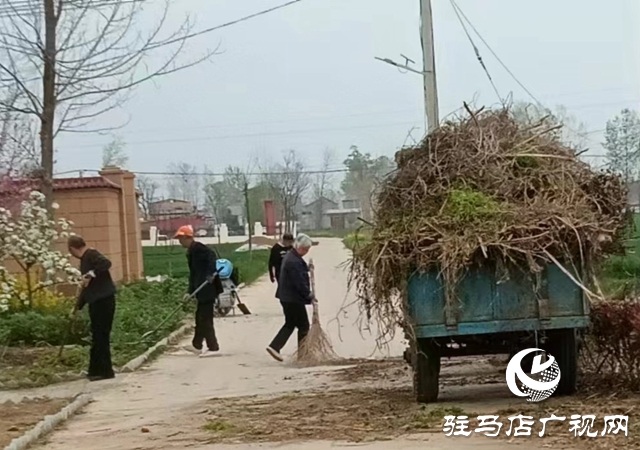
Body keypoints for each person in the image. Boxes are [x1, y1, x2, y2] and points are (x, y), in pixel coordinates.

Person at [68, 236, 116, 382]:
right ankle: (95, 370)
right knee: (96, 336)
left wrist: (90, 274)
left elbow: (106, 263)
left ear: (72, 249)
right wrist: (77, 308)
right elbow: (87, 289)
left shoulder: (91, 254)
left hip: (103, 302)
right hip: (96, 302)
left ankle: (105, 371)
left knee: (101, 336)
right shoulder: (85, 260)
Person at [174, 225, 224, 357]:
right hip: (200, 288)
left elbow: (212, 257)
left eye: (181, 239)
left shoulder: (199, 248)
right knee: (200, 318)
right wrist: (189, 291)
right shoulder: (191, 251)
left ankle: (213, 347)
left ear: (187, 237)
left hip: (207, 288)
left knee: (205, 319)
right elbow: (193, 274)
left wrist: (210, 274)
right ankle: (197, 345)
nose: (180, 242)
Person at [266, 233, 315, 362]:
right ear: (300, 247)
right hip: (292, 299)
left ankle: (275, 346)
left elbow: (299, 271)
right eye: (306, 249)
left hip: (287, 298)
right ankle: (302, 355)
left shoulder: (292, 256)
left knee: (291, 323)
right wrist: (309, 295)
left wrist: (307, 268)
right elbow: (299, 282)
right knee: (303, 326)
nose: (306, 252)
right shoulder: (293, 260)